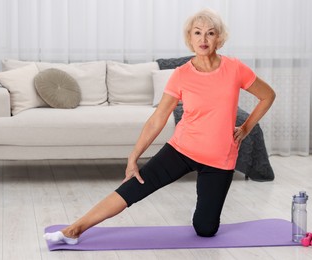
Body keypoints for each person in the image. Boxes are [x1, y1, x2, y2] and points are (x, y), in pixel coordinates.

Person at [44, 8, 276, 245]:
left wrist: (245, 128)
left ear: (219, 38)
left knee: (205, 229)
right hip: (182, 150)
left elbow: (268, 95)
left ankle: (203, 216)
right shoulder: (181, 75)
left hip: (219, 158)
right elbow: (158, 117)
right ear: (190, 38)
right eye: (197, 33)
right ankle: (74, 229)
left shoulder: (235, 69)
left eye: (210, 33)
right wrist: (134, 156)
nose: (203, 39)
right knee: (134, 187)